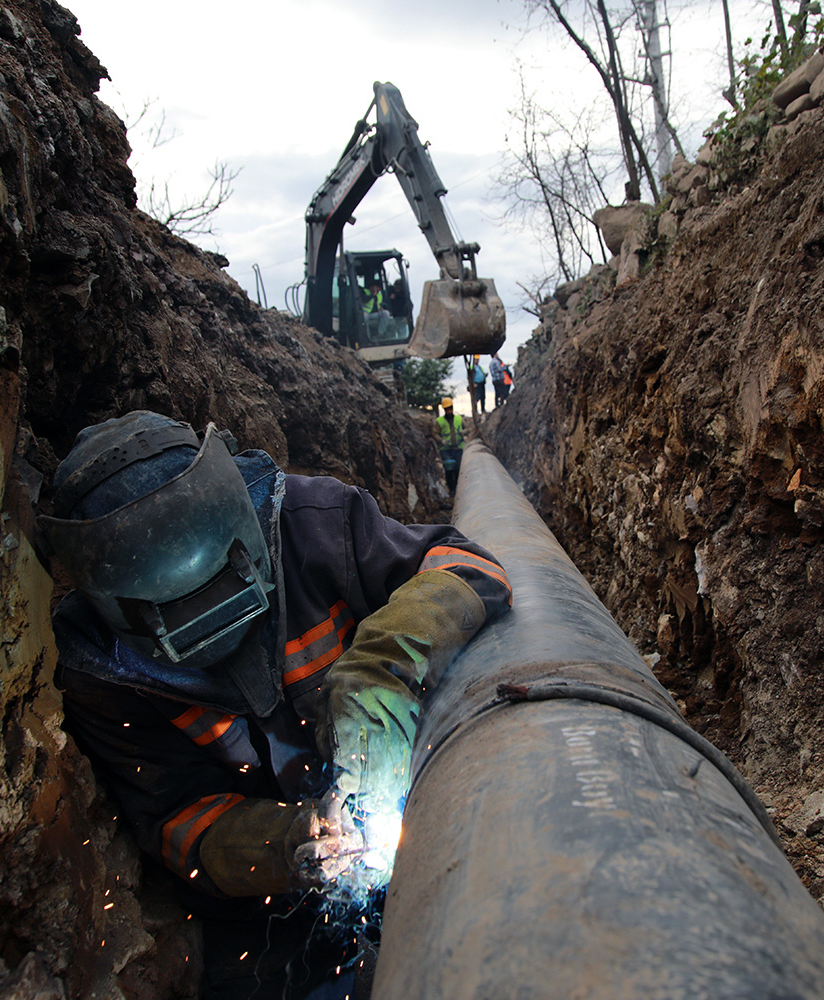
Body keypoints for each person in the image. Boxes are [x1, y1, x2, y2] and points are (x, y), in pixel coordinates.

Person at [38, 410, 511, 999]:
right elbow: (177, 824)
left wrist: (382, 669)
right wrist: (291, 842)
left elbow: (470, 566)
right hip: (269, 913)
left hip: (421, 812)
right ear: (117, 607)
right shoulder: (105, 675)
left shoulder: (314, 525)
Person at [435, 397, 467, 493]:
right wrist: (441, 441)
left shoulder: (459, 419)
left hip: (458, 447)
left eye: (450, 408)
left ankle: (458, 488)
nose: (448, 411)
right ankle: (452, 489)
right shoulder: (439, 421)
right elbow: (435, 433)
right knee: (449, 469)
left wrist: (463, 431)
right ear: (444, 410)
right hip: (446, 449)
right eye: (446, 409)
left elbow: (468, 428)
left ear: (452, 408)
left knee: (457, 469)